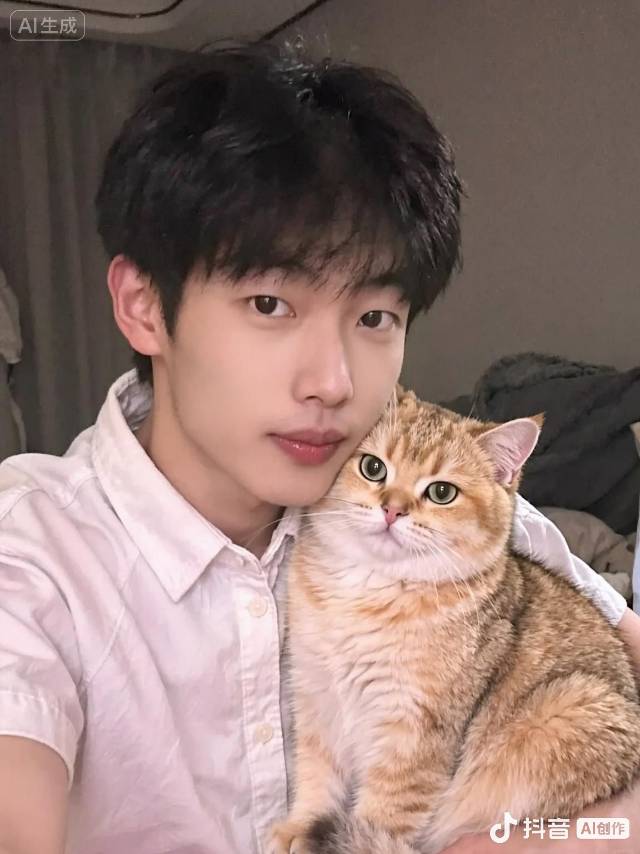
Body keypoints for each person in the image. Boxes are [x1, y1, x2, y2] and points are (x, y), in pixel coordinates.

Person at [0, 40, 638, 854]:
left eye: (375, 318)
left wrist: (537, 838)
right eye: (270, 304)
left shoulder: (460, 525)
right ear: (144, 306)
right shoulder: (33, 559)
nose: (333, 383)